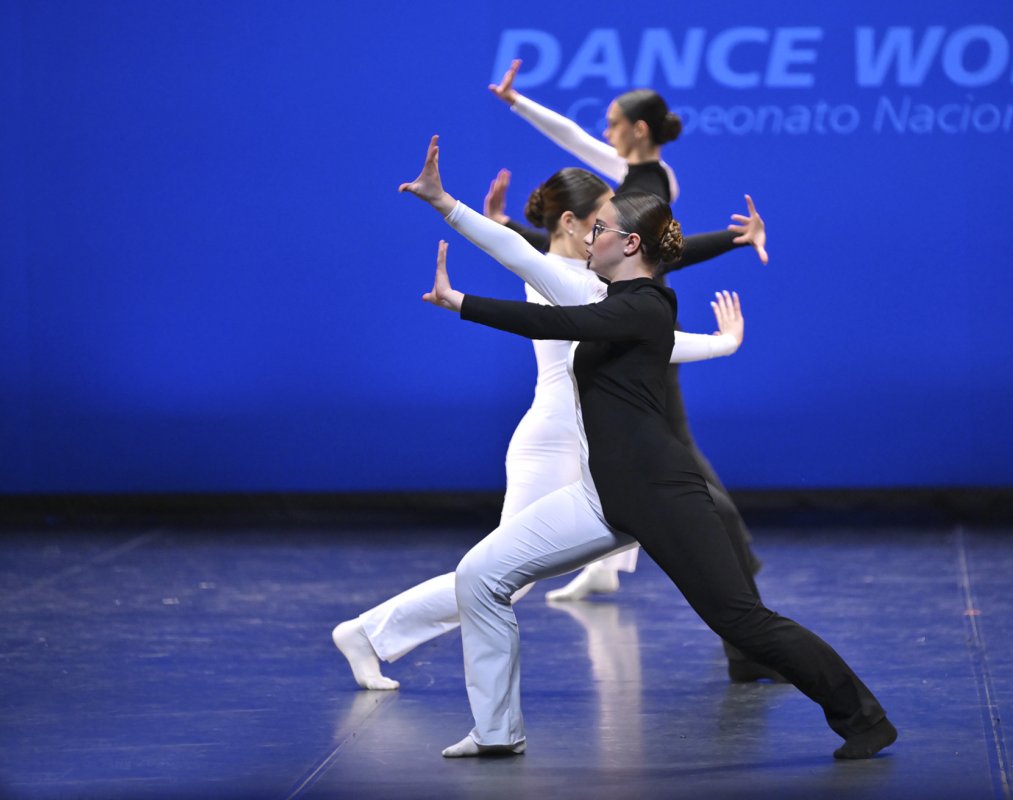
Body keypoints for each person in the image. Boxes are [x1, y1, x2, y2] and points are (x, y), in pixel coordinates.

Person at [412, 136, 897, 761]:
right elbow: (527, 265)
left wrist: (461, 304)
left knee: (743, 620)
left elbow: (557, 324)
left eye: (602, 230)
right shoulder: (614, 298)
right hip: (604, 494)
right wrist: (445, 204)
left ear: (629, 244)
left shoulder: (643, 306)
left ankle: (865, 718)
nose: (591, 238)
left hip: (661, 493)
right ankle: (497, 731)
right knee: (480, 576)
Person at [332, 159, 751, 691]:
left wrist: (724, 343)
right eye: (600, 221)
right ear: (572, 224)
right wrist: (444, 203)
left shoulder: (594, 280)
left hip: (582, 440)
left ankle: (371, 635)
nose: (609, 233)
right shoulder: (565, 276)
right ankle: (367, 634)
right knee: (502, 577)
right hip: (553, 441)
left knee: (539, 562)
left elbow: (655, 338)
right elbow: (511, 248)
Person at [488, 63, 778, 683]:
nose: (603, 132)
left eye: (613, 123)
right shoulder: (638, 178)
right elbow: (573, 153)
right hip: (634, 337)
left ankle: (743, 616)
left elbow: (654, 251)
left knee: (694, 488)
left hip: (639, 341)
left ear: (637, 129)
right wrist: (518, 104)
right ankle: (735, 611)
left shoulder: (645, 183)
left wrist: (730, 245)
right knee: (682, 486)